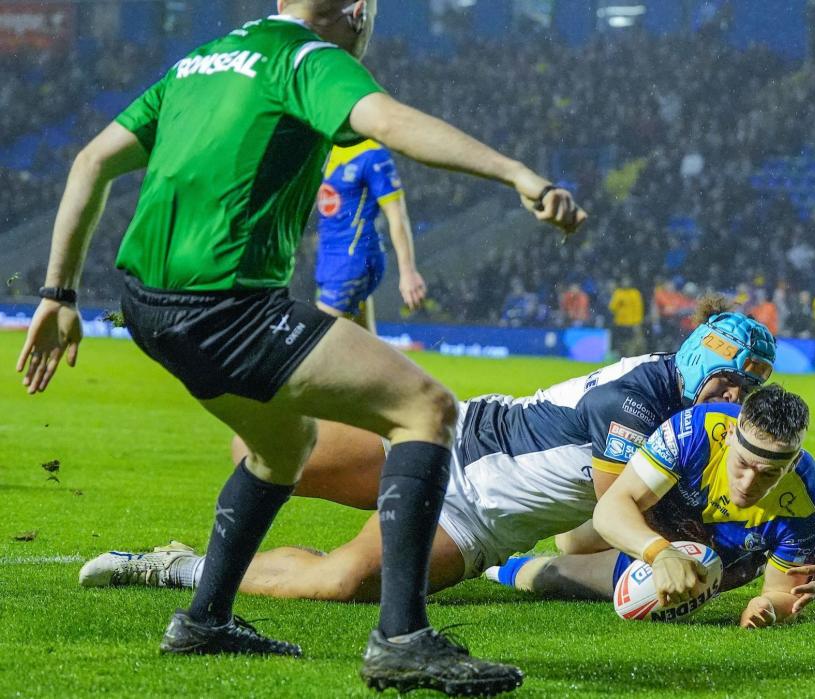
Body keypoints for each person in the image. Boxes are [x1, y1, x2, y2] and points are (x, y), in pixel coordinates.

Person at [17, 2, 585, 694]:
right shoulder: (310, 59)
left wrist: (59, 293)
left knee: (284, 449)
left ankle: (204, 619)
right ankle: (403, 638)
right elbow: (394, 123)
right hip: (226, 307)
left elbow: (90, 160)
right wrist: (518, 174)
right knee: (426, 408)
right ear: (357, 13)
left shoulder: (200, 62)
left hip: (145, 305)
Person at [80, 309, 815, 609]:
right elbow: (608, 513)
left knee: (342, 580)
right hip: (452, 439)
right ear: (697, 357)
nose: (733, 394)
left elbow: (581, 535)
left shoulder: (698, 424)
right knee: (263, 445)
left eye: (747, 387)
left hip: (477, 519)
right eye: (726, 377)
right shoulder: (640, 396)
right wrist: (686, 554)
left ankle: (173, 566)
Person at [490, 385, 815, 629]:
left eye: (769, 474)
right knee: (572, 541)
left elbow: (781, 592)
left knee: (555, 577)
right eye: (743, 463)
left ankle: (497, 569)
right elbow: (611, 507)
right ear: (728, 435)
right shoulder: (694, 430)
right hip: (658, 516)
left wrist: (767, 606)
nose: (748, 483)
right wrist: (659, 552)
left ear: (793, 462)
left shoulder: (806, 504)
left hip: (709, 563)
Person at [314, 138, 425, 332]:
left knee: (314, 342)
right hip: (331, 260)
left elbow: (397, 215)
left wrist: (407, 272)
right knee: (365, 346)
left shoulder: (372, 155)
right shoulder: (327, 149)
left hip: (353, 260)